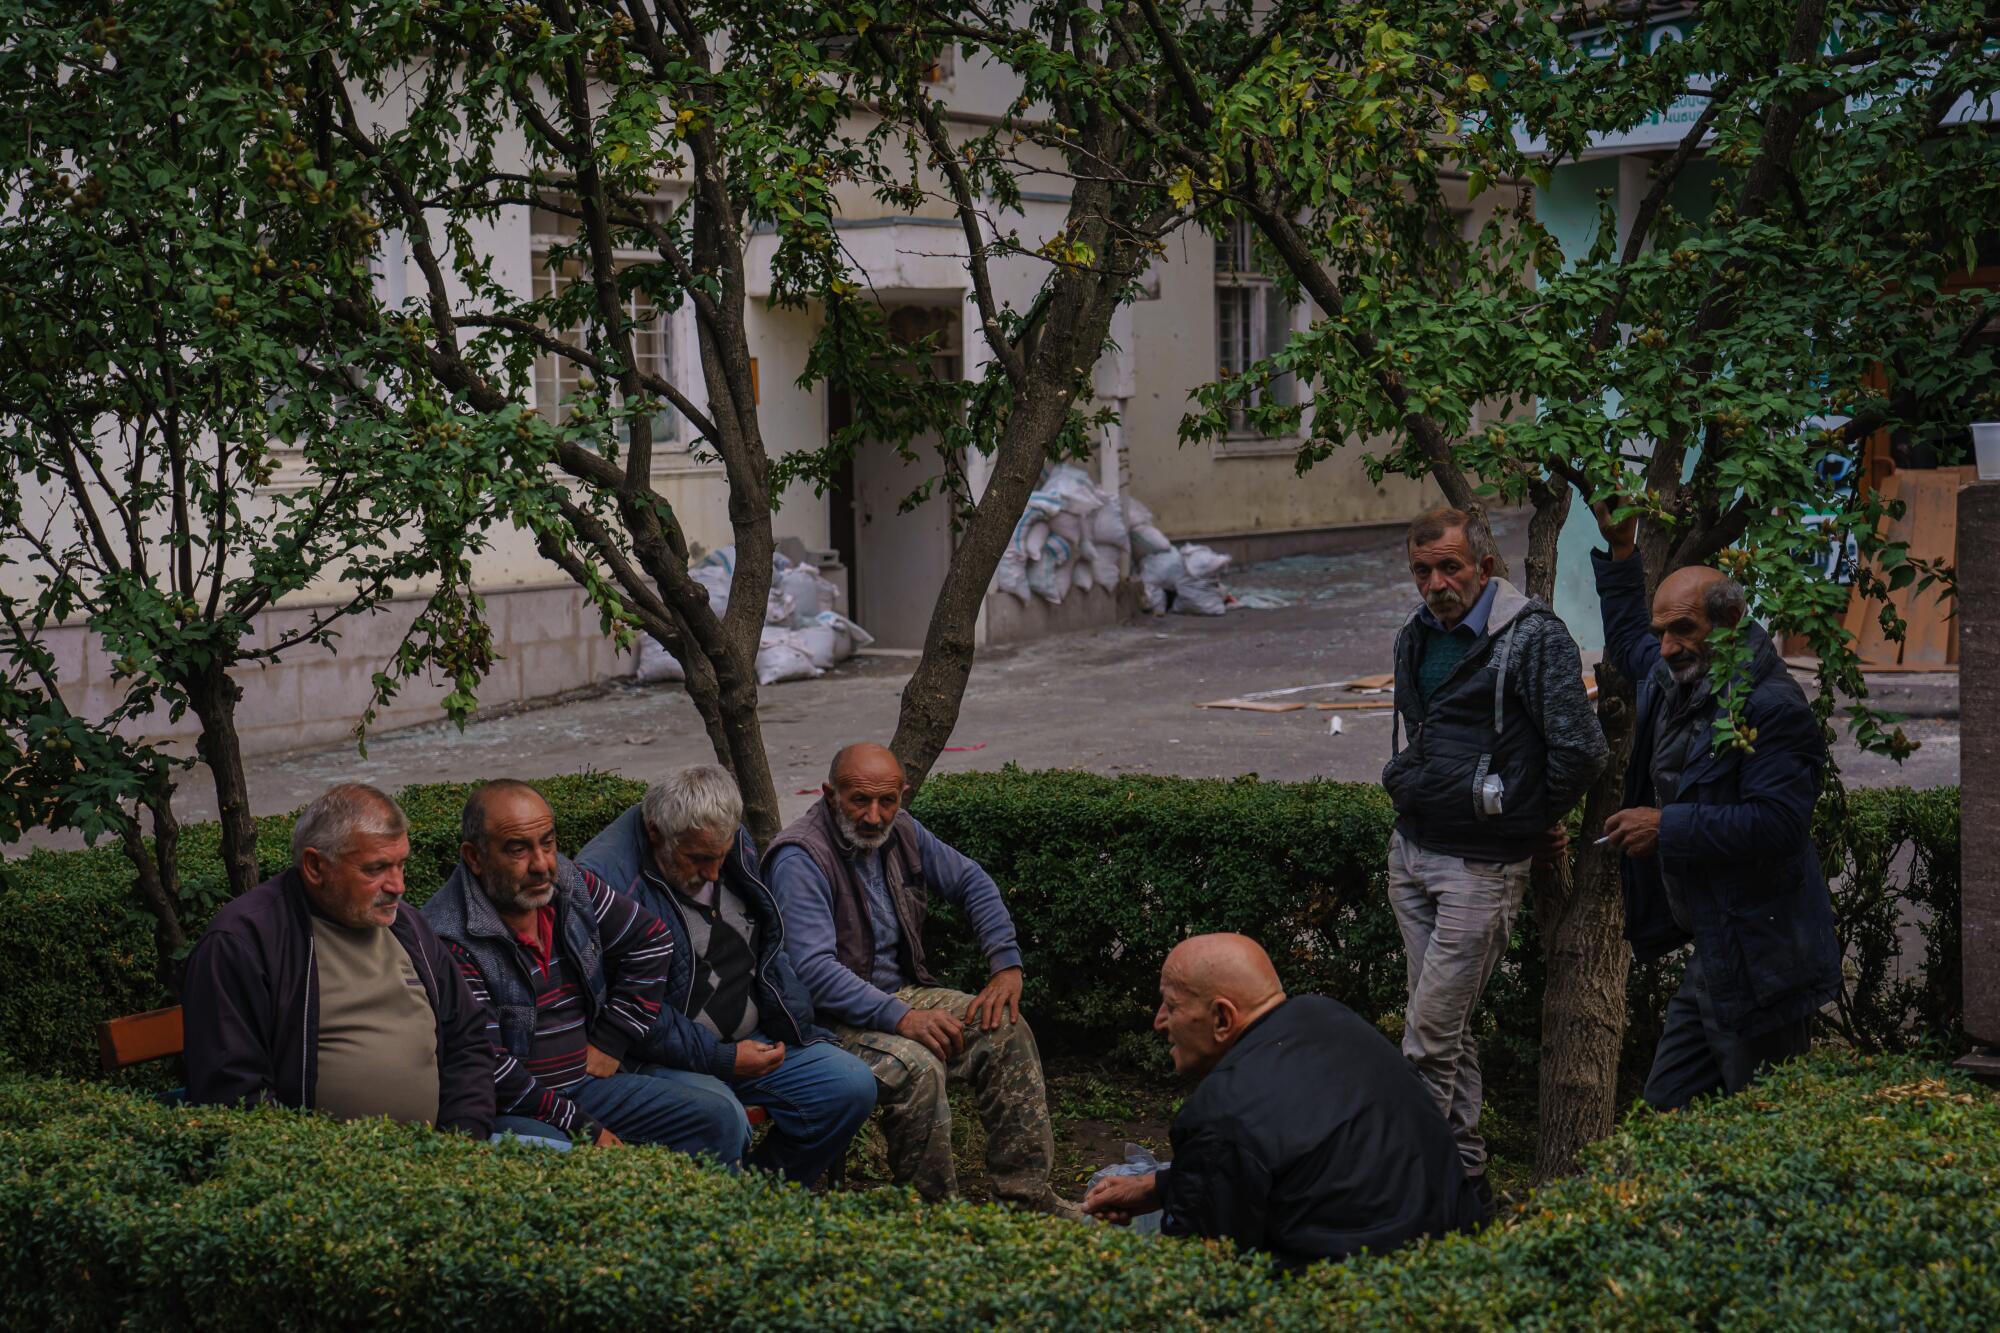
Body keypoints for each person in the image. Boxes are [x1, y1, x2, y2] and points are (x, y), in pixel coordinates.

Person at [1382, 506, 1608, 1204]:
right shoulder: (1414, 638)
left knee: (1426, 1039)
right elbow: (1421, 735)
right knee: (1441, 1024)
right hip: (1413, 854)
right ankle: (1466, 1178)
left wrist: (1532, 820)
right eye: (1423, 570)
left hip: (1480, 869)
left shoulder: (1533, 638)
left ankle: (1408, 1188)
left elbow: (1580, 750)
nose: (1436, 582)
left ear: (1485, 567)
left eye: (1450, 566)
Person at [1592, 503, 1839, 1109]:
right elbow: (1629, 643)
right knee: (1665, 1116)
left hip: (1763, 959)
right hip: (1715, 949)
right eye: (1663, 635)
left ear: (1729, 622)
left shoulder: (1772, 707)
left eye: (1683, 631)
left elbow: (1778, 824)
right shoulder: (1676, 675)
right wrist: (1623, 551)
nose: (1669, 647)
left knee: (1766, 1127)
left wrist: (1666, 826)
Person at [763, 742, 1075, 1217]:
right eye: (858, 801)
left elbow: (972, 882)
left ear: (902, 796)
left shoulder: (903, 831)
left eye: (887, 801)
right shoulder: (800, 858)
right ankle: (933, 1219)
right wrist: (902, 1017)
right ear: (830, 794)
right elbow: (812, 972)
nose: (873, 815)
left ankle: (1026, 1201)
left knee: (1005, 1027)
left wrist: (1006, 966)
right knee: (918, 1067)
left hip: (898, 997)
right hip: (825, 1022)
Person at [1081, 934, 1480, 1266]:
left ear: (1222, 1018)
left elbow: (1203, 1274)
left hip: (1350, 1298)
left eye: (1171, 1006)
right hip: (1449, 1265)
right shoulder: (1330, 1017)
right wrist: (1159, 1187)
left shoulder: (1220, 1114)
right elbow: (1304, 1157)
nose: (1159, 1022)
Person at [577, 764, 876, 1186]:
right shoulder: (604, 880)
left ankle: (766, 1198)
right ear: (656, 832)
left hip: (748, 1045)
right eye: (698, 859)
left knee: (849, 1085)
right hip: (657, 1059)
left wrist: (795, 1023)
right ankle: (722, 1225)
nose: (715, 873)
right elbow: (625, 1010)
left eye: (722, 855)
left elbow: (769, 945)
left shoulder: (726, 838)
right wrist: (722, 1060)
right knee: (722, 1117)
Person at [422, 779, 748, 1160]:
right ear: (474, 857)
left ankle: (706, 1219)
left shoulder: (568, 882)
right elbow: (490, 1067)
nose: (542, 864)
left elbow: (652, 940)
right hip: (517, 1108)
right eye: (518, 850)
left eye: (547, 842)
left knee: (719, 1118)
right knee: (569, 1162)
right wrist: (582, 1126)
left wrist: (613, 1036)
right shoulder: (450, 935)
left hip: (587, 1084)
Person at [183, 783, 511, 1140]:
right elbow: (234, 1096)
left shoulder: (408, 926)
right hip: (329, 1180)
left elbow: (468, 1039)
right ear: (315, 866)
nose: (398, 885)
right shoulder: (244, 943)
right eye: (377, 868)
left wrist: (462, 1140)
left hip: (442, 1157)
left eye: (401, 864)